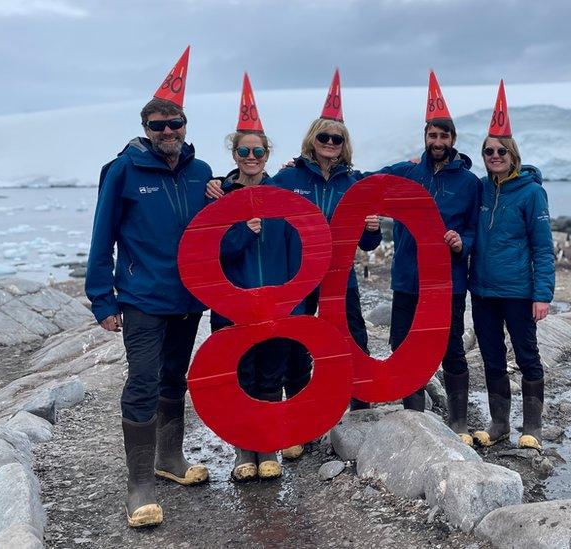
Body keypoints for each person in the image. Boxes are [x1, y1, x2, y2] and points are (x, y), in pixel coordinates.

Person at [207, 70, 381, 460]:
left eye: (337, 138)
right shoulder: (286, 177)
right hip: (297, 276)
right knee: (296, 344)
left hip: (339, 277)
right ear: (312, 140)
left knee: (353, 339)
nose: (330, 144)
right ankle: (299, 423)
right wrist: (221, 185)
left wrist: (372, 228)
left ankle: (359, 417)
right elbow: (250, 189)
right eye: (324, 137)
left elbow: (368, 242)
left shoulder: (354, 182)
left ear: (344, 143)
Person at [85, 47, 210, 528]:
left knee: (175, 376)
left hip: (187, 297)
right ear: (146, 128)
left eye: (174, 123)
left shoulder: (201, 173)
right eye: (157, 125)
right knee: (142, 381)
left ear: (184, 123)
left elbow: (215, 227)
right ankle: (139, 485)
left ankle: (169, 458)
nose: (167, 132)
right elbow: (102, 236)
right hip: (141, 297)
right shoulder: (123, 170)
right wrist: (102, 298)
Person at [376, 71, 479, 445]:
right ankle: (415, 416)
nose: (438, 142)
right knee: (402, 345)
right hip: (406, 277)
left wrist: (461, 242)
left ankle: (458, 422)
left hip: (446, 281)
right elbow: (361, 183)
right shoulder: (405, 174)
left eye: (444, 136)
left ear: (453, 139)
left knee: (450, 345)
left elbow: (474, 230)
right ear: (425, 138)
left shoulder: (469, 183)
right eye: (432, 136)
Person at [208, 73, 300, 481]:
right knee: (240, 374)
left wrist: (294, 296)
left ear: (267, 153)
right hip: (233, 303)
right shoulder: (218, 198)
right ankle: (243, 450)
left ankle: (268, 447)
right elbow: (211, 253)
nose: (251, 156)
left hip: (277, 302)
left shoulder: (284, 196)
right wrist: (242, 230)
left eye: (258, 150)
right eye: (244, 150)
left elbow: (299, 253)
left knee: (270, 373)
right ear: (234, 152)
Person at [470, 81, 555, 450]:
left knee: (526, 356)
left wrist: (542, 294)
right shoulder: (481, 189)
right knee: (491, 357)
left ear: (512, 153)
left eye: (501, 150)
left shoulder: (532, 192)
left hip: (518, 291)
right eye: (488, 150)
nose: (494, 155)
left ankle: (532, 427)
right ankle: (499, 423)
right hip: (484, 290)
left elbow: (543, 248)